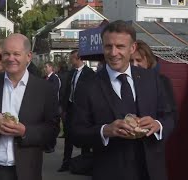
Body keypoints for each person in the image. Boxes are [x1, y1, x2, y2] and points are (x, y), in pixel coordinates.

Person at [70, 20, 174, 180]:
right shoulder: (87, 86)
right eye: (108, 46)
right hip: (110, 171)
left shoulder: (151, 78)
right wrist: (105, 130)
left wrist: (157, 125)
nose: (113, 53)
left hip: (152, 172)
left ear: (132, 48)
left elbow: (169, 116)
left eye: (120, 46)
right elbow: (76, 133)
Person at [0, 33, 60, 180]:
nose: (10, 58)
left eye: (16, 54)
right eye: (6, 54)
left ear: (28, 56)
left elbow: (52, 129)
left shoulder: (44, 89)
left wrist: (25, 131)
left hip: (25, 171)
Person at [58, 50, 95, 172]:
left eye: (71, 58)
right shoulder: (71, 73)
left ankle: (84, 164)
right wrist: (63, 108)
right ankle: (66, 162)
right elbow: (66, 90)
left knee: (84, 137)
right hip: (70, 108)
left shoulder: (89, 73)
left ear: (78, 58)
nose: (70, 61)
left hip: (82, 110)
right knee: (68, 137)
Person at [131, 40, 177, 123]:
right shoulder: (122, 80)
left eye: (139, 60)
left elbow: (170, 114)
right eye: (130, 61)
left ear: (148, 61)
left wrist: (157, 124)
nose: (134, 64)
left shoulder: (161, 81)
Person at [43, 61, 61, 153]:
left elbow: (53, 91)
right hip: (45, 106)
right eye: (44, 67)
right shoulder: (45, 78)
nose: (44, 69)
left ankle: (51, 145)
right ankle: (46, 144)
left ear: (51, 67)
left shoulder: (54, 78)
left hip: (53, 106)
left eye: (46, 67)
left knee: (52, 126)